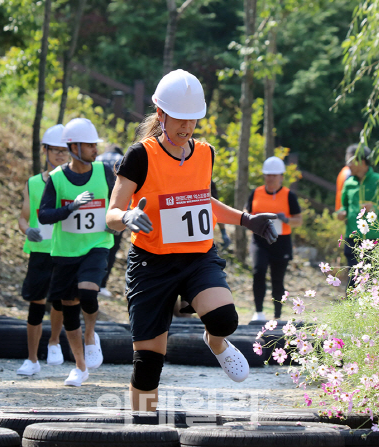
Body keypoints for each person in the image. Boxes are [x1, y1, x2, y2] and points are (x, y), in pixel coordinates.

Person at [106, 69, 278, 412]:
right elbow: (111, 213)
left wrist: (247, 220)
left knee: (225, 320)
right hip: (151, 264)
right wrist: (126, 218)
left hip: (197, 257)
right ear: (161, 114)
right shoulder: (140, 155)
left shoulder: (205, 153)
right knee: (147, 367)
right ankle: (142, 428)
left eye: (193, 121)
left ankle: (215, 343)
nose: (186, 128)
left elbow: (203, 203)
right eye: (179, 120)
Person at [38, 117, 116, 387]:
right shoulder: (57, 178)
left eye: (96, 145)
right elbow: (44, 215)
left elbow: (119, 200)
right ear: (73, 147)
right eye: (90, 145)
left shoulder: (105, 172)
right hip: (65, 251)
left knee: (87, 291)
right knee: (69, 306)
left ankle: (91, 334)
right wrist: (69, 208)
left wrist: (122, 219)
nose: (95, 149)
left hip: (97, 245)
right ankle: (80, 367)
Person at [15, 124, 68, 376]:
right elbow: (23, 217)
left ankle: (55, 342)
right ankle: (32, 358)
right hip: (40, 250)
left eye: (64, 150)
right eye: (55, 150)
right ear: (45, 150)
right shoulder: (34, 182)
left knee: (59, 300)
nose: (60, 155)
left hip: (65, 249)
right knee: (36, 303)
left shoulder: (73, 181)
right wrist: (27, 230)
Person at [245, 156, 302, 321]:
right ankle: (259, 312)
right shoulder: (255, 193)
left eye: (274, 175)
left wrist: (287, 220)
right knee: (258, 271)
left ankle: (277, 315)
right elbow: (245, 212)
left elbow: (298, 220)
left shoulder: (289, 195)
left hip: (281, 241)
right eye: (268, 175)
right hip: (259, 240)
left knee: (278, 279)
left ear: (281, 177)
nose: (271, 178)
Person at [337, 144, 379, 288]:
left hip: (376, 239)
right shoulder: (348, 183)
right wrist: (341, 213)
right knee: (353, 281)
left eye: (350, 162)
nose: (348, 166)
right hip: (352, 239)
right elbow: (343, 206)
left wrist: (376, 208)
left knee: (373, 282)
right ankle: (351, 311)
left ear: (362, 161)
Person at [95, 144, 125, 298]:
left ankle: (91, 281)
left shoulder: (96, 159)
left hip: (96, 210)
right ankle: (102, 285)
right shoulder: (123, 159)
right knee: (111, 250)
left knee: (95, 247)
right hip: (116, 212)